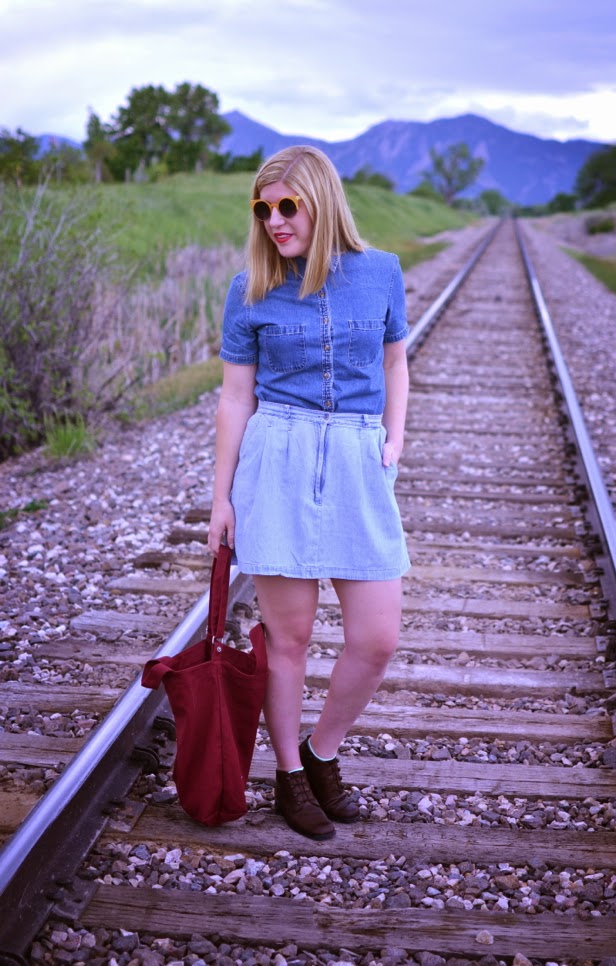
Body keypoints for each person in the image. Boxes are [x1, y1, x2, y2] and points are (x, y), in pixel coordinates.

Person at [208, 145, 410, 841]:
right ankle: (290, 775)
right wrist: (221, 499)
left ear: (322, 202)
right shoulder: (250, 288)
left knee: (377, 637)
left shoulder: (381, 272)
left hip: (356, 456)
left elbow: (394, 361)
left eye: (288, 205)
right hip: (280, 458)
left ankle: (323, 752)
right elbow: (235, 398)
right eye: (263, 209)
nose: (274, 221)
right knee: (288, 639)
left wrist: (393, 439)